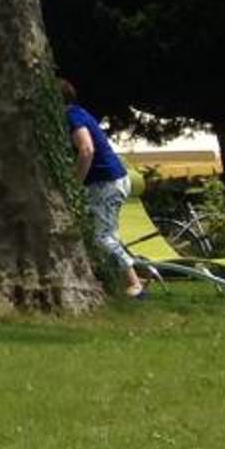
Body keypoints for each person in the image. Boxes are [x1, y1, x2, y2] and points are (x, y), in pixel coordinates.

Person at [65, 85, 141, 298]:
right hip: (110, 180)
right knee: (101, 234)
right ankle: (117, 279)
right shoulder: (80, 112)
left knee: (102, 237)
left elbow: (86, 149)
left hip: (106, 183)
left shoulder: (72, 116)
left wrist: (74, 184)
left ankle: (135, 284)